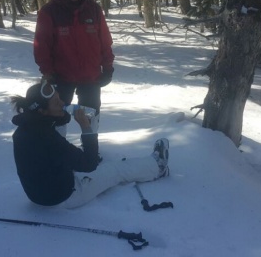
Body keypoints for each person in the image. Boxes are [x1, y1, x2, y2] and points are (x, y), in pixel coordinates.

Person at [10, 82, 169, 208]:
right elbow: (89, 164)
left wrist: (61, 112)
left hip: (38, 196)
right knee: (115, 169)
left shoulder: (24, 130)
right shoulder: (48, 139)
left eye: (60, 97)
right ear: (42, 111)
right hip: (64, 197)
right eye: (56, 102)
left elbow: (52, 150)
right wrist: (86, 128)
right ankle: (158, 166)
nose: (63, 102)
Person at [33, 0, 114, 134]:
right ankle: (57, 151)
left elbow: (105, 42)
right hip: (61, 77)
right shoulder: (49, 12)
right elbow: (42, 46)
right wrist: (47, 73)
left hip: (91, 77)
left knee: (91, 115)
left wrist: (108, 68)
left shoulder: (94, 10)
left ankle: (91, 152)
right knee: (57, 117)